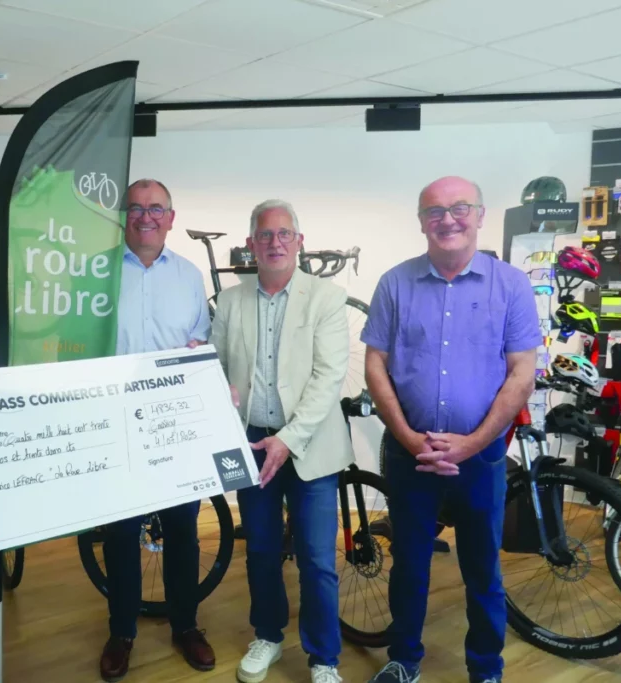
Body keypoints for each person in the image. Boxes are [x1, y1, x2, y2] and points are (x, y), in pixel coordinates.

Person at [361, 176, 538, 683]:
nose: (448, 220)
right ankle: (404, 660)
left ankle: (485, 668)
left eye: (460, 208)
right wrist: (407, 436)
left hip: (480, 457)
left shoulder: (511, 285)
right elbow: (375, 365)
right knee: (409, 564)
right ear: (421, 222)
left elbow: (522, 373)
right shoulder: (395, 283)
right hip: (410, 455)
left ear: (480, 215)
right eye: (434, 211)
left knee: (482, 569)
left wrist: (473, 442)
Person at [210, 199, 353, 683]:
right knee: (262, 549)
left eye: (284, 234)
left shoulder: (326, 297)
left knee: (317, 559)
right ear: (251, 244)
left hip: (311, 442)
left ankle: (324, 658)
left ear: (299, 242)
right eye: (265, 235)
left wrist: (288, 439)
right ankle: (268, 636)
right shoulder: (230, 301)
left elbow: (328, 377)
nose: (275, 243)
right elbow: (216, 366)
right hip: (251, 442)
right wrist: (214, 382)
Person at [98, 178, 214, 682]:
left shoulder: (189, 276)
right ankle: (121, 631)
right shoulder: (97, 274)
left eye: (156, 208)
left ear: (171, 218)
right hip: (115, 420)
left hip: (173, 422)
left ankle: (185, 624)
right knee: (121, 533)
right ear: (123, 215)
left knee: (182, 529)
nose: (146, 216)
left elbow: (200, 340)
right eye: (136, 207)